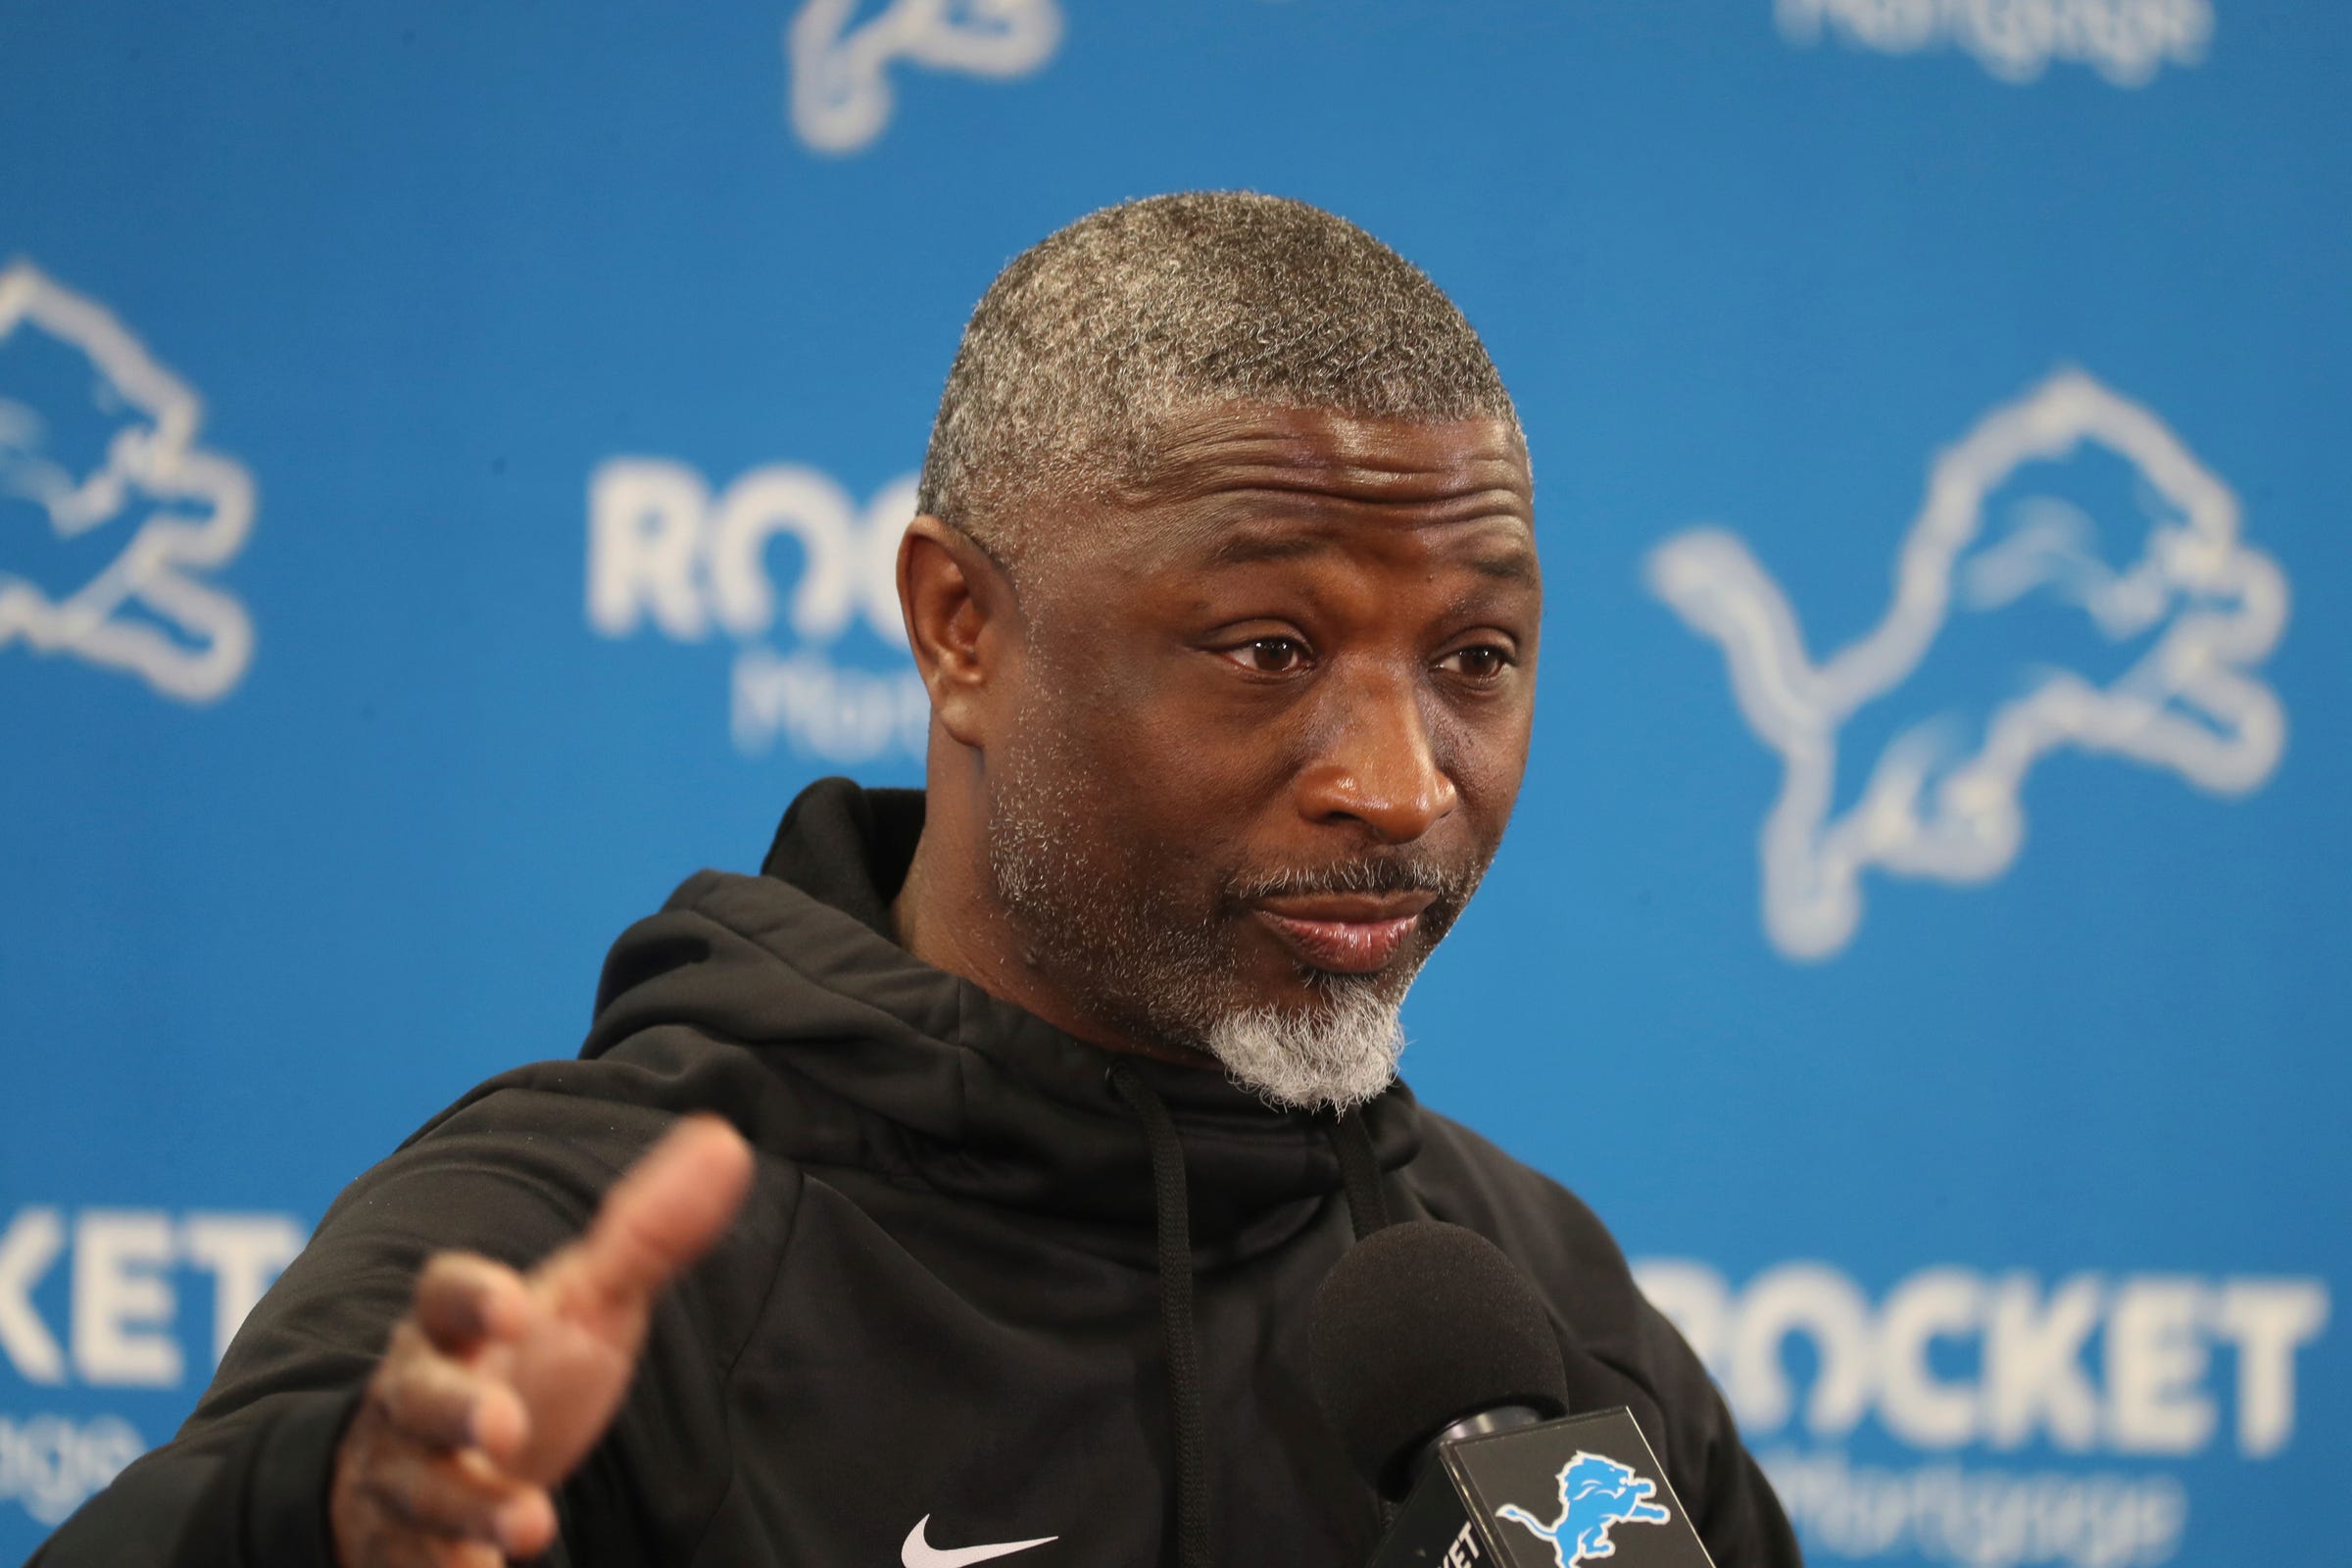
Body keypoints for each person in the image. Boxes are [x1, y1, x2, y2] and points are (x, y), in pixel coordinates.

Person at [34, 192, 1799, 1568]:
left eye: (1477, 660)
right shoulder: (589, 1246)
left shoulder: (1529, 1307)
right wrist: (324, 1516)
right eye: (1270, 648)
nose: (1403, 787)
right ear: (962, 629)